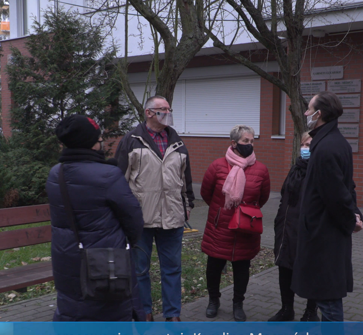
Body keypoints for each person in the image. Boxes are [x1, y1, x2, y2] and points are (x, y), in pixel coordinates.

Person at [46, 114, 145, 335]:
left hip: (68, 264)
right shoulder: (107, 176)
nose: (102, 143)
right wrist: (127, 242)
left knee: (68, 331)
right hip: (105, 265)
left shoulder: (56, 173)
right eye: (100, 139)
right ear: (91, 143)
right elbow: (134, 220)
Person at [293, 92, 363, 335]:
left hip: (325, 234)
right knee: (325, 295)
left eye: (309, 108)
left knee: (329, 298)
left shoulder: (326, 147)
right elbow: (347, 186)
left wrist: (351, 219)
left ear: (319, 113)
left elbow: (337, 193)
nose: (306, 113)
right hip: (324, 231)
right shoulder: (331, 142)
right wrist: (355, 214)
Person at [115, 95, 196, 322]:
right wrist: (124, 213)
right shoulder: (131, 140)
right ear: (149, 112)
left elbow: (186, 179)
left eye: (169, 109)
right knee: (140, 269)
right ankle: (144, 313)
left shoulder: (177, 142)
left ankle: (173, 315)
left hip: (173, 217)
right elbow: (119, 180)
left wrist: (187, 204)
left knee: (172, 268)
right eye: (163, 109)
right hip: (140, 218)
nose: (168, 113)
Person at [200, 125, 271, 322]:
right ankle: (213, 300)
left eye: (252, 141)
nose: (250, 144)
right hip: (220, 226)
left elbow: (263, 197)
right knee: (214, 267)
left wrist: (245, 212)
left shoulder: (261, 169)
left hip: (245, 228)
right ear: (233, 143)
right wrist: (222, 211)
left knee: (242, 268)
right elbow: (206, 193)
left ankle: (238, 304)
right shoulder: (217, 166)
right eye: (245, 141)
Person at [268, 132, 319, 322]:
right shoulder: (296, 168)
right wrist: (279, 221)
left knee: (311, 271)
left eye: (310, 145)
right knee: (285, 268)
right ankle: (286, 309)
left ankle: (311, 312)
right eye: (303, 145)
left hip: (308, 231)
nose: (305, 149)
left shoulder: (320, 171)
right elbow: (285, 196)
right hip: (286, 228)